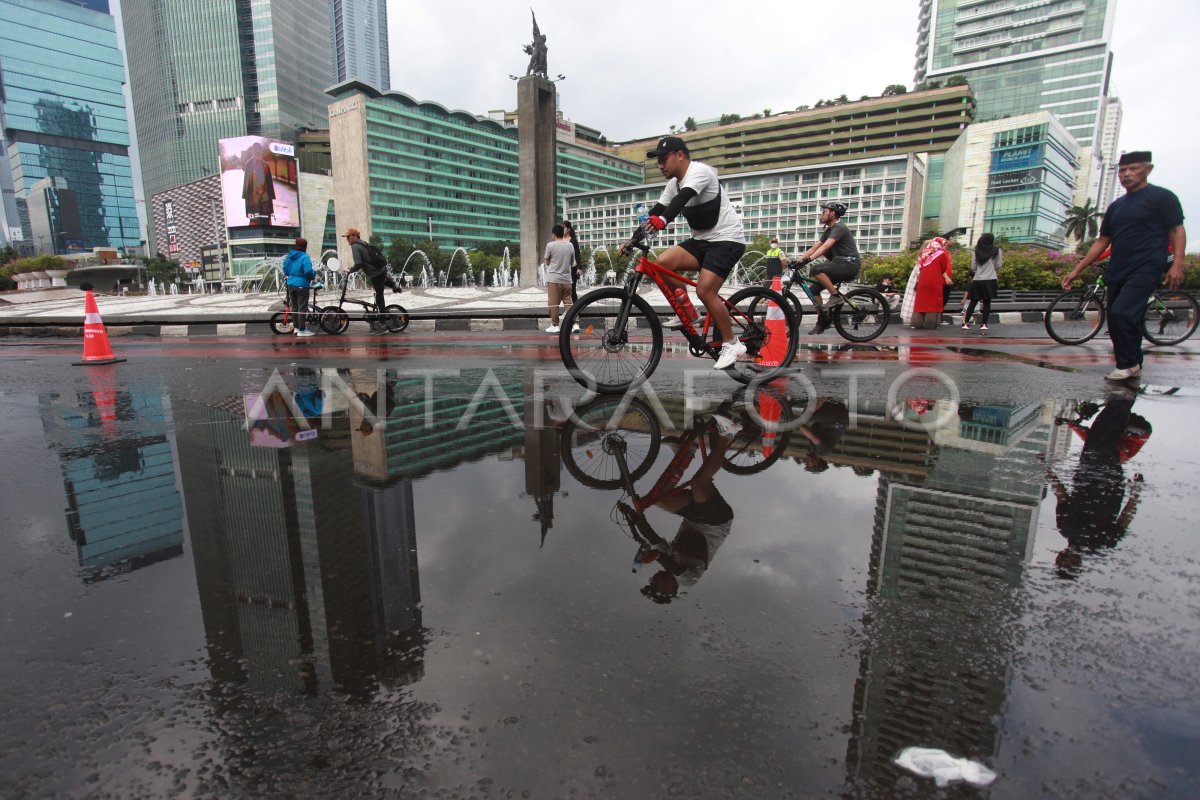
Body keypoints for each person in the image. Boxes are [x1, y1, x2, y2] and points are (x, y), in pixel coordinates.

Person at [620, 136, 749, 369]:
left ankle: (733, 343)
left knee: (705, 290)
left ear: (680, 155)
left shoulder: (700, 172)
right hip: (701, 240)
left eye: (663, 159)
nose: (660, 165)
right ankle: (689, 312)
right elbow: (657, 210)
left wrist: (663, 220)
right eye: (657, 161)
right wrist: (632, 239)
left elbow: (682, 200)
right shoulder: (673, 184)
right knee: (662, 262)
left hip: (727, 239)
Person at [1061, 151, 1187, 381]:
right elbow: (1102, 241)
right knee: (1122, 317)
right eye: (1122, 170)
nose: (1126, 174)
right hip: (1117, 269)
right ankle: (1133, 361)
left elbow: (1177, 229)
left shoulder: (1161, 197)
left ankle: (1128, 364)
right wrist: (1077, 269)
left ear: (1148, 169)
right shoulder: (1117, 206)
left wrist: (1177, 263)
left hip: (1147, 267)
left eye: (1133, 169)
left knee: (1122, 313)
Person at [637, 414, 740, 603]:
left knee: (659, 499)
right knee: (699, 483)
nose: (653, 580)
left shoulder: (667, 562)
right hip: (715, 523)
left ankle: (686, 453)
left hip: (694, 518)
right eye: (654, 585)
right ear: (668, 588)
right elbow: (676, 567)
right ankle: (729, 434)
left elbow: (654, 539)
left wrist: (636, 520)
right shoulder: (687, 581)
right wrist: (658, 555)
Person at [1046, 390, 1149, 578]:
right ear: (1077, 566)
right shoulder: (1101, 544)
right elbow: (1124, 520)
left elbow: (1061, 496)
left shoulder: (1064, 528)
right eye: (1068, 566)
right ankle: (1124, 397)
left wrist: (1047, 471)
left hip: (1086, 471)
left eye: (1061, 562)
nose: (1065, 560)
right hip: (1109, 480)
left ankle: (1122, 399)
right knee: (1100, 439)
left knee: (1099, 435)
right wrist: (1135, 493)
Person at [794, 200, 861, 334]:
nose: (821, 215)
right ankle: (823, 320)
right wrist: (798, 260)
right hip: (838, 264)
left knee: (816, 269)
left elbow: (825, 247)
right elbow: (815, 247)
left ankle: (835, 296)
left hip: (849, 264)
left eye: (824, 212)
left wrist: (807, 261)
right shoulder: (828, 230)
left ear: (833, 213)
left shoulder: (839, 227)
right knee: (813, 290)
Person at [909, 237, 952, 329]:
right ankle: (930, 323)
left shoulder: (924, 253)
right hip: (935, 280)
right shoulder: (941, 254)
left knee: (921, 301)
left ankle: (917, 323)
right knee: (933, 302)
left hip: (922, 280)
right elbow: (943, 267)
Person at [962, 233, 1001, 332]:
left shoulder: (976, 252)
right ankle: (984, 324)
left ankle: (966, 323)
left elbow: (973, 267)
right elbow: (998, 265)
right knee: (987, 302)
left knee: (973, 302)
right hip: (990, 279)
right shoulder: (996, 251)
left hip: (978, 279)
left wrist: (979, 271)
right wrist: (991, 271)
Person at [543, 224, 576, 333]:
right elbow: (572, 262)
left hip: (554, 279)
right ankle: (575, 324)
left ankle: (555, 325)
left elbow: (547, 262)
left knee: (554, 303)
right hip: (567, 279)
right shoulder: (570, 245)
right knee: (569, 303)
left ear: (553, 234)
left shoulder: (550, 245)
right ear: (562, 233)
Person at [282, 237, 317, 336]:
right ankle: (302, 330)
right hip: (301, 284)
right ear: (305, 247)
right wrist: (313, 274)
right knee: (302, 308)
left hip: (291, 284)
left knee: (295, 308)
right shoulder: (305, 256)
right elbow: (308, 271)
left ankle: (296, 328)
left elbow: (285, 269)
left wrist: (292, 275)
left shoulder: (289, 256)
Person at [241, 142, 275, 226]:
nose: (257, 153)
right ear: (253, 151)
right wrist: (247, 200)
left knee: (266, 222)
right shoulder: (249, 164)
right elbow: (246, 184)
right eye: (255, 151)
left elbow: (270, 185)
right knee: (254, 223)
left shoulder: (266, 165)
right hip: (254, 200)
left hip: (265, 199)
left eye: (258, 151)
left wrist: (271, 208)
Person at [562, 220, 583, 302]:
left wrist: (579, 267)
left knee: (572, 289)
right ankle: (568, 309)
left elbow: (577, 254)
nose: (562, 229)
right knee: (564, 290)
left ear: (569, 229)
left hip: (572, 268)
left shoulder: (573, 240)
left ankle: (575, 309)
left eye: (563, 227)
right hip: (562, 268)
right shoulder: (560, 240)